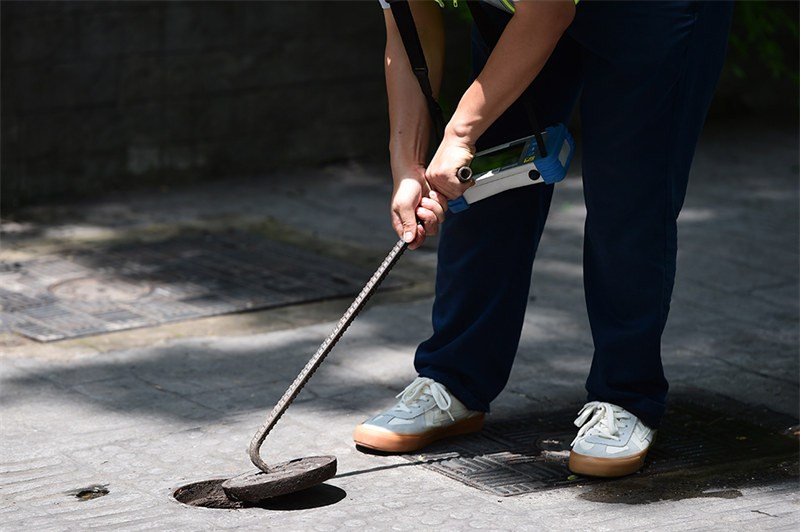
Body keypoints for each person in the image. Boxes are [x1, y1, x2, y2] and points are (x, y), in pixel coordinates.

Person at [354, 0, 733, 477]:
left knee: (629, 195)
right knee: (482, 178)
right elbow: (411, 31)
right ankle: (454, 380)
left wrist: (459, 132)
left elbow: (550, 11)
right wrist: (407, 167)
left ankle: (626, 396)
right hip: (521, 8)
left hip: (650, 13)